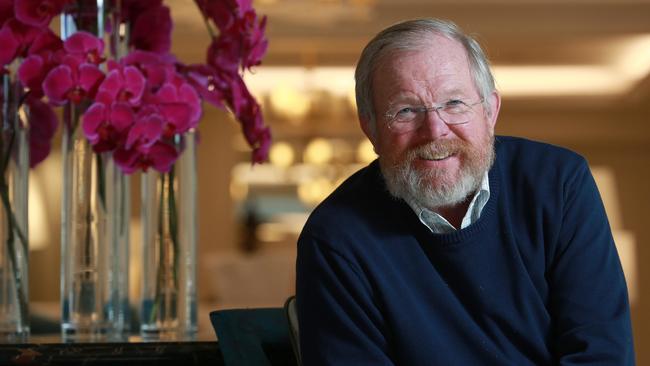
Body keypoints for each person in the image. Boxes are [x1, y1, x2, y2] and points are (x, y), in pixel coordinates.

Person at [295, 18, 635, 365]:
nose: (435, 131)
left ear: (490, 111)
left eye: (454, 103)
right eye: (406, 110)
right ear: (371, 128)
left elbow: (603, 354)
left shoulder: (559, 184)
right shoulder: (336, 237)